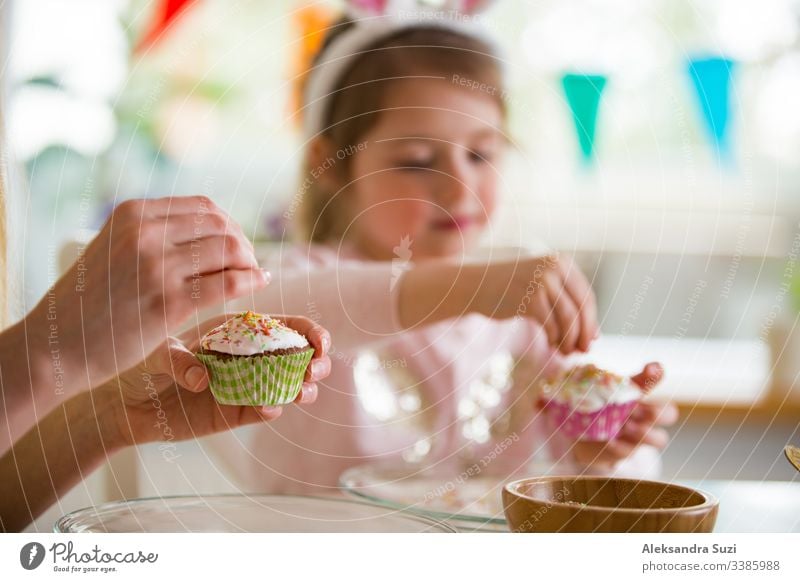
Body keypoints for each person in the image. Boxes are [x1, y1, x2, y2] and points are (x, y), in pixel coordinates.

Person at [216, 6, 677, 495]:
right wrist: (472, 286)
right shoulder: (305, 278)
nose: (461, 187)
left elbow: (572, 479)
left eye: (480, 154)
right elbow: (251, 316)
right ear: (329, 163)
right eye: (416, 161)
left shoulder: (523, 313)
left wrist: (600, 451)